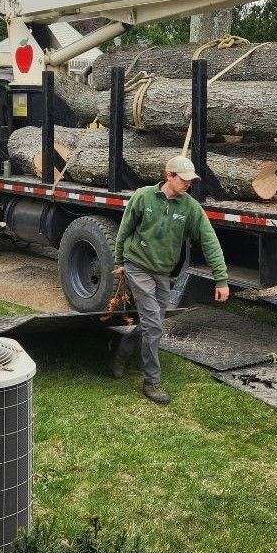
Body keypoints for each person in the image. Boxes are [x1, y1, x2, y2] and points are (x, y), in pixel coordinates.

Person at [109, 155, 230, 404]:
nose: (188, 184)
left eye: (191, 180)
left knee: (153, 321)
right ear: (169, 176)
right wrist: (120, 262)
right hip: (137, 265)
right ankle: (151, 381)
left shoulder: (190, 208)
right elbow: (125, 229)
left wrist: (221, 279)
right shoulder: (143, 197)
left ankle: (123, 350)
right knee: (154, 323)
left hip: (162, 272)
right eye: (184, 179)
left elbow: (210, 242)